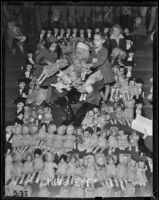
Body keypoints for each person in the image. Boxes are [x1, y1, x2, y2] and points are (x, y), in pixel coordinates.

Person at [90, 32, 115, 103]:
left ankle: (105, 98)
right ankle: (103, 97)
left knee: (107, 84)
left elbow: (101, 61)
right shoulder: (93, 49)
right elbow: (91, 58)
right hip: (97, 70)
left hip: (105, 70)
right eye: (94, 40)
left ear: (103, 41)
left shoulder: (104, 50)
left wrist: (92, 64)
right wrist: (93, 56)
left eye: (97, 40)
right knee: (98, 85)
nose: (95, 41)